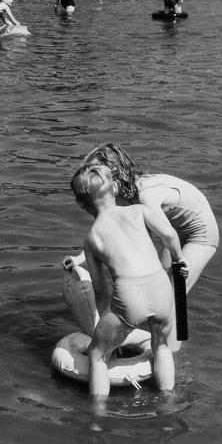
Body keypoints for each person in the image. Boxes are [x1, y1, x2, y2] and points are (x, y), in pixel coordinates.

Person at [70, 163, 188, 396]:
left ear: (80, 204)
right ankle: (168, 401)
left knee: (96, 355)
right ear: (114, 188)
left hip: (129, 296)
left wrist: (103, 327)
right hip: (161, 288)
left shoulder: (92, 238)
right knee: (161, 346)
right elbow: (170, 235)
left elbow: (101, 291)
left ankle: (97, 419)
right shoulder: (138, 211)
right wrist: (179, 260)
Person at [77, 143, 218, 293]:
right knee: (157, 289)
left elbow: (163, 237)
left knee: (171, 294)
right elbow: (104, 231)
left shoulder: (146, 195)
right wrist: (80, 258)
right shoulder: (117, 196)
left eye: (95, 174)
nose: (89, 180)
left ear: (115, 179)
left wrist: (180, 260)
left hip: (199, 232)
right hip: (173, 230)